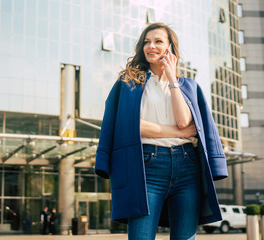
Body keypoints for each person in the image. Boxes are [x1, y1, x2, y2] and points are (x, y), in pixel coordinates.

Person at [95, 22, 228, 240]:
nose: (151, 46)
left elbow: (184, 121)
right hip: (146, 167)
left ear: (170, 48)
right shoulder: (129, 83)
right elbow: (129, 126)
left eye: (158, 41)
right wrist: (180, 133)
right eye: (147, 42)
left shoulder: (188, 86)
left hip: (188, 168)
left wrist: (172, 78)